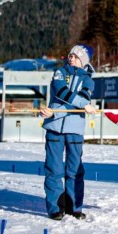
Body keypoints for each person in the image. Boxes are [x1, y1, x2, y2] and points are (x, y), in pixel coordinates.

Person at [40, 44, 96, 220]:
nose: (71, 58)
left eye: (76, 56)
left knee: (75, 170)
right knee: (54, 169)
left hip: (75, 129)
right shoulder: (60, 73)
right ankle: (56, 208)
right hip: (54, 127)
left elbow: (85, 95)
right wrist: (82, 105)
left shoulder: (88, 79)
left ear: (84, 61)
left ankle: (75, 207)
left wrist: (84, 102)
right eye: (71, 55)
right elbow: (61, 92)